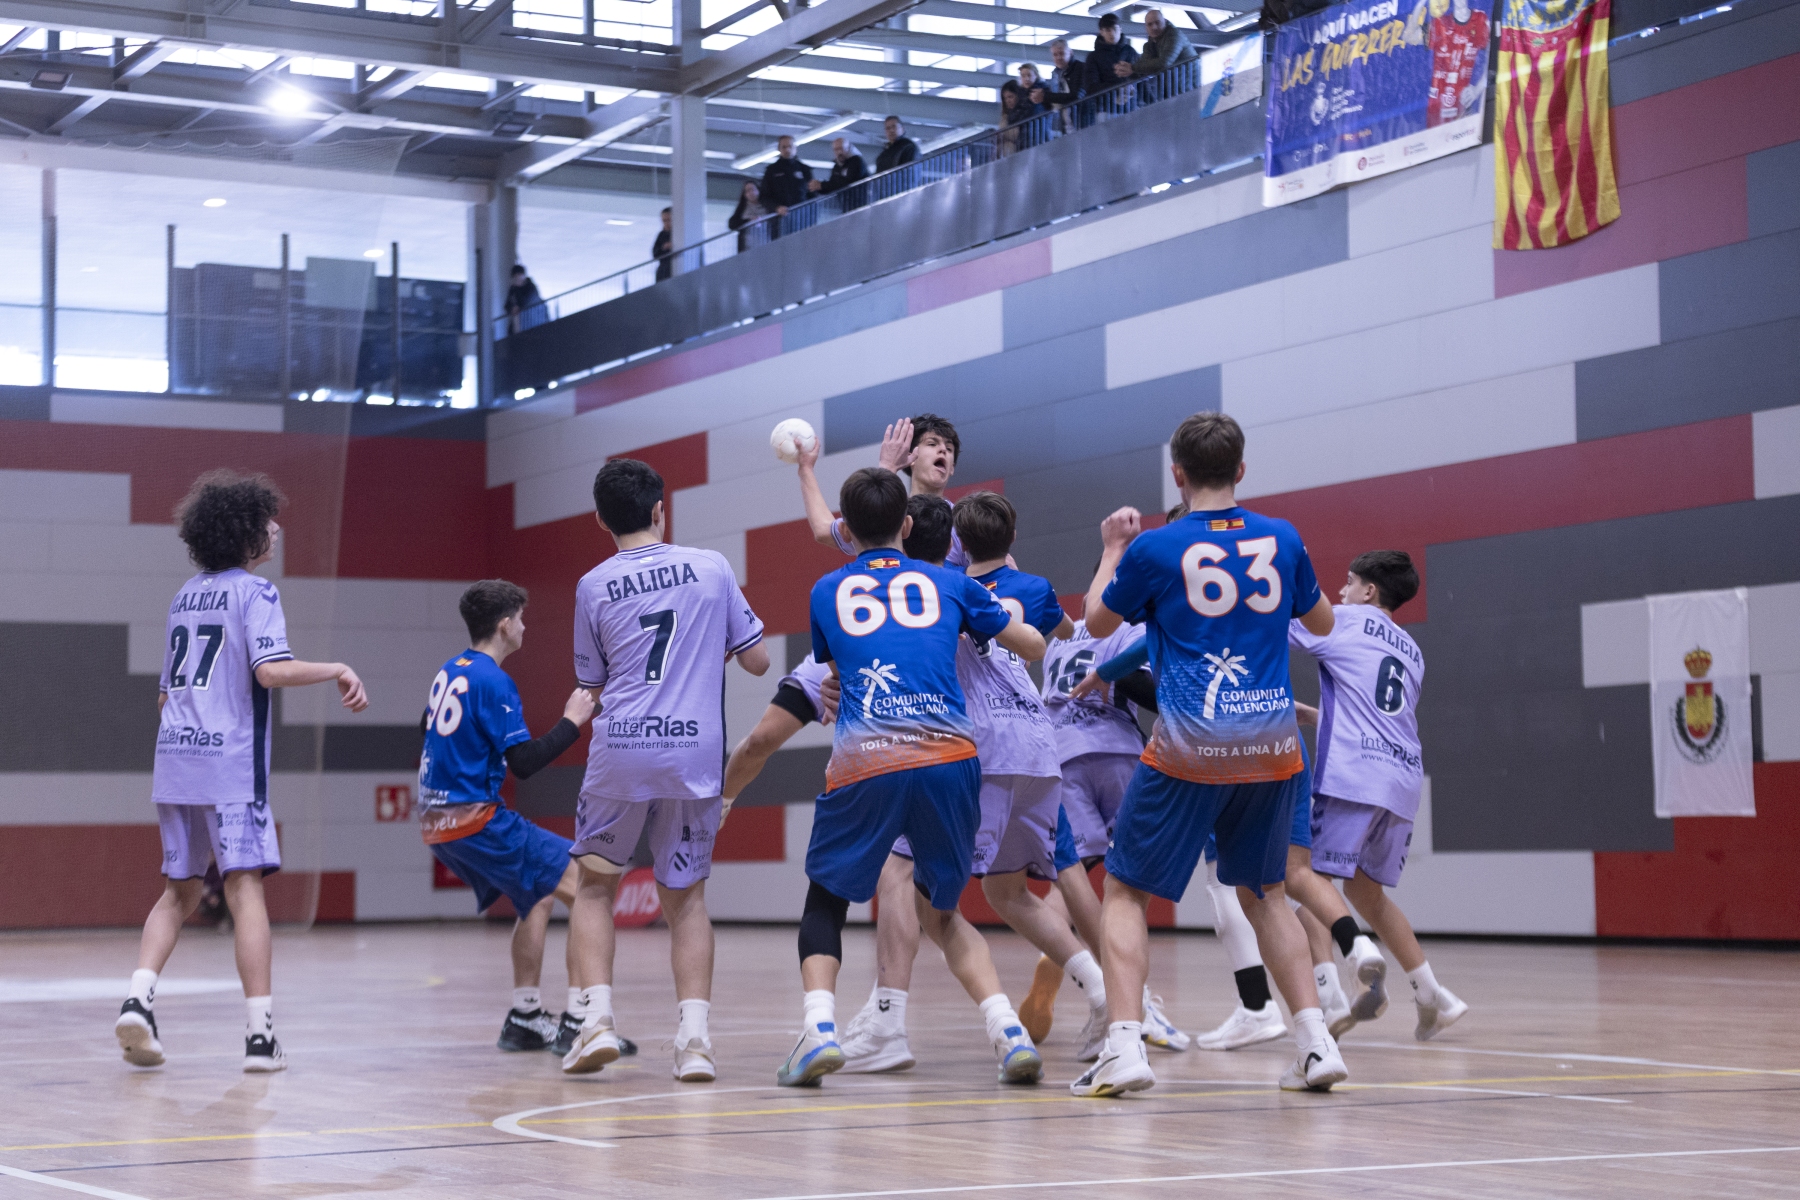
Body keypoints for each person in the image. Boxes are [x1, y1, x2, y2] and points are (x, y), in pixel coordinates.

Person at [1069, 412, 1347, 1098]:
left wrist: (1112, 550)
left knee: (1125, 891)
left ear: (1178, 475)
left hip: (1191, 745)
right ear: (1241, 470)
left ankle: (1124, 1048)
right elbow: (1322, 623)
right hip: (1274, 746)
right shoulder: (1283, 537)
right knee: (1268, 893)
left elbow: (1097, 622)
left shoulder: (1155, 548)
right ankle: (1315, 1045)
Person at [778, 468, 1049, 1088]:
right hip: (949, 762)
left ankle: (819, 1031)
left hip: (865, 762)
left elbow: (839, 665)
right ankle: (1009, 1034)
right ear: (907, 523)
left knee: (826, 901)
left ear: (846, 530)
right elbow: (1030, 645)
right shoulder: (952, 583)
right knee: (942, 913)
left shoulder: (826, 590)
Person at [115, 471, 369, 1074]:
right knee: (243, 886)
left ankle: (137, 1000)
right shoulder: (256, 593)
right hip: (228, 766)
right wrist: (337, 668)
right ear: (244, 533)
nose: (276, 528)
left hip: (175, 759)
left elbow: (164, 697)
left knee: (178, 893)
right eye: (267, 521)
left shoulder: (184, 596)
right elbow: (269, 671)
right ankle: (260, 1038)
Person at [560, 458, 771, 1082]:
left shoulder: (592, 584)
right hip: (695, 754)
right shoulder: (712, 567)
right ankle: (695, 1042)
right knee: (687, 900)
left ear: (601, 520)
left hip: (621, 751)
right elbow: (758, 661)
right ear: (660, 510)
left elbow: (592, 681)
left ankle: (596, 1022)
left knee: (594, 888)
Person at [417, 579, 623, 1057]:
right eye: (522, 619)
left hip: (436, 822)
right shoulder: (493, 680)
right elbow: (525, 763)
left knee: (538, 895)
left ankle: (525, 1017)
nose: (526, 627)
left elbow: (425, 729)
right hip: (475, 820)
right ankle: (579, 1022)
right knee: (588, 883)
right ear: (505, 625)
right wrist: (573, 720)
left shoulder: (450, 671)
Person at [1287, 550, 1468, 1041]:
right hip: (1402, 779)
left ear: (1368, 591)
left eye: (1347, 583)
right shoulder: (1412, 650)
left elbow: (1276, 626)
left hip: (1355, 774)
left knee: (1305, 878)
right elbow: (1378, 709)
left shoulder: (1342, 619)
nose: (1339, 591)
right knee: (1367, 893)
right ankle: (1433, 994)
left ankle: (1333, 993)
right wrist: (1318, 716)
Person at [798, 413, 971, 568]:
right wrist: (806, 469)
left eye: (949, 449)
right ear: (910, 456)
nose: (943, 450)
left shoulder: (963, 522)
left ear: (952, 468)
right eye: (932, 444)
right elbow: (824, 530)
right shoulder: (888, 512)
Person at [1412, 0, 1490, 127]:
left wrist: (1477, 89)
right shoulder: (1441, 24)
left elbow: (1495, 54)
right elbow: (1409, 36)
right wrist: (1419, 5)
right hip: (1437, 113)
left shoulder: (1480, 20)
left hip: (1463, 111)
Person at [1110, 8, 1197, 86]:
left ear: (1165, 21)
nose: (1154, 27)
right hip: (1177, 88)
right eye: (1150, 24)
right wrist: (1128, 70)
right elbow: (1143, 67)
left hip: (1191, 86)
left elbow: (1164, 62)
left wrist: (1132, 68)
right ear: (1146, 27)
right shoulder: (1149, 45)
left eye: (1157, 22)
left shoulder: (1174, 35)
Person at [760, 135, 814, 238]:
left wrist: (811, 218)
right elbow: (763, 197)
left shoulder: (805, 170)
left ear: (795, 148)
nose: (787, 150)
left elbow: (813, 196)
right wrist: (776, 208)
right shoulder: (771, 171)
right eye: (784, 147)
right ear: (779, 149)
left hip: (802, 220)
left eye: (790, 146)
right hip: (779, 222)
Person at [1086, 13, 1139, 117]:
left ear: (1120, 29)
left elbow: (1141, 75)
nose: (1112, 33)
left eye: (1114, 29)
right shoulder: (1093, 57)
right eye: (1108, 30)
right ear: (1101, 32)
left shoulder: (1130, 52)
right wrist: (1118, 87)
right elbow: (1090, 87)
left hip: (1131, 108)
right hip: (1106, 110)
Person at [1033, 39, 1089, 133]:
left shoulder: (1081, 68)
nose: (1058, 57)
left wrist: (1045, 96)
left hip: (1082, 121)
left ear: (1070, 53)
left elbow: (1077, 96)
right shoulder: (1055, 74)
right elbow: (1055, 101)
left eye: (1062, 53)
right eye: (1055, 54)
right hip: (1065, 124)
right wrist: (1041, 98)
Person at [811, 137, 869, 212]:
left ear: (848, 148)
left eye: (841, 148)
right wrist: (818, 187)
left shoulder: (857, 162)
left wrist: (822, 185)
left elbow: (847, 184)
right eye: (836, 149)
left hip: (861, 205)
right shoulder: (837, 166)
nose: (839, 152)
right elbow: (833, 185)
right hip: (846, 207)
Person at [728, 180, 770, 252]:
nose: (751, 193)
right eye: (747, 191)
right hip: (746, 246)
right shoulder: (742, 207)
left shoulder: (768, 205)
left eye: (753, 190)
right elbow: (732, 224)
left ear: (758, 190)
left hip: (765, 242)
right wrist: (748, 220)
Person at [504, 264, 545, 333]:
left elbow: (526, 302)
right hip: (519, 323)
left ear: (523, 276)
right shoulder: (513, 289)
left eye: (519, 276)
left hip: (532, 321)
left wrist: (518, 306)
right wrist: (512, 308)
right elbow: (507, 305)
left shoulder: (530, 287)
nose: (517, 279)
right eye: (515, 277)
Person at [652, 207, 674, 282]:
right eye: (664, 221)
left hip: (675, 269)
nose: (666, 223)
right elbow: (655, 253)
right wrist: (663, 248)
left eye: (669, 220)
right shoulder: (661, 235)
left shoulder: (680, 234)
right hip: (663, 271)